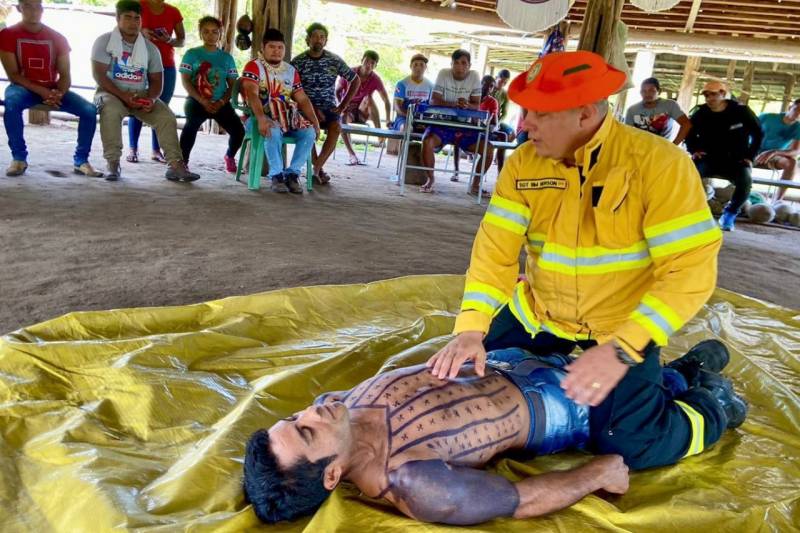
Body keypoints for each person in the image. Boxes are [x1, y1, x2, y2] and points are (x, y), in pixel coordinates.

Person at [426, 51, 738, 477]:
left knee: (630, 446)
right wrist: (471, 330)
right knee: (463, 387)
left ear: (584, 114)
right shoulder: (522, 165)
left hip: (618, 329)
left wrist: (624, 349)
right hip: (538, 315)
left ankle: (711, 400)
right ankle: (677, 373)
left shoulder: (659, 165)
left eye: (537, 113)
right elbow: (494, 252)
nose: (524, 125)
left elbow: (690, 269)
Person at [243, 342, 745, 525]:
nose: (312, 410)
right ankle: (711, 401)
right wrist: (597, 473)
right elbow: (520, 500)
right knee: (637, 443)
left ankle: (679, 372)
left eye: (294, 419)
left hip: (515, 355)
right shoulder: (415, 483)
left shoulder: (340, 413)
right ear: (332, 475)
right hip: (574, 402)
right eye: (307, 432)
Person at [91, 0, 198, 182]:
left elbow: (157, 81)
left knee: (166, 116)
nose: (133, 22)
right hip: (110, 92)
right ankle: (113, 163)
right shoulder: (104, 41)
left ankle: (175, 165)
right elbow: (99, 76)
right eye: (128, 18)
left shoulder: (150, 48)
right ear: (118, 19)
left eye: (137, 18)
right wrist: (123, 96)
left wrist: (151, 98)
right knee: (111, 110)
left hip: (139, 94)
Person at [0, 0, 102, 177]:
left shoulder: (57, 37)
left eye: (38, 6)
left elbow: (65, 75)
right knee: (11, 103)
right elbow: (13, 75)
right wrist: (42, 92)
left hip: (53, 90)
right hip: (22, 88)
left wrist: (58, 93)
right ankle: (19, 158)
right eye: (28, 6)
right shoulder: (7, 35)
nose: (34, 11)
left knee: (89, 110)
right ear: (19, 8)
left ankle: (81, 161)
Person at [241, 28, 320, 194]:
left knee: (309, 133)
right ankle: (276, 175)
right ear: (263, 47)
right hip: (255, 119)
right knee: (272, 130)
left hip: (286, 118)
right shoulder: (254, 66)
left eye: (280, 47)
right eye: (272, 47)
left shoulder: (290, 71)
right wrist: (261, 118)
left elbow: (303, 99)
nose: (276, 51)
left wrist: (315, 121)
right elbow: (252, 94)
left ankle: (292, 174)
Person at [685, 80, 763, 231]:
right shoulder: (700, 113)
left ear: (723, 93)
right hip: (708, 158)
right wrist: (694, 149)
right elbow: (689, 133)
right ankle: (690, 211)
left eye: (713, 94)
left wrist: (750, 156)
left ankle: (730, 213)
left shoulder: (741, 111)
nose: (709, 98)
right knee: (688, 176)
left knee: (745, 181)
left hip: (736, 159)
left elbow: (758, 134)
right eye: (706, 94)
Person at [291, 22, 359, 185]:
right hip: (305, 108)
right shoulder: (298, 62)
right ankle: (318, 170)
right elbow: (291, 90)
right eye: (314, 36)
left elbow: (355, 80)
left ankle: (315, 168)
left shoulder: (334, 60)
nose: (318, 40)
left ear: (326, 41)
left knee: (336, 128)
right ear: (307, 40)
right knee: (308, 130)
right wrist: (312, 109)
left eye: (322, 37)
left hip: (329, 107)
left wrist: (343, 105)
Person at [420, 49, 492, 195]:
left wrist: (467, 105)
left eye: (464, 63)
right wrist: (453, 104)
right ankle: (430, 179)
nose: (460, 67)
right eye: (456, 63)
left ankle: (475, 185)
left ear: (469, 65)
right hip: (442, 124)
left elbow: (476, 105)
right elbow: (434, 100)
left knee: (489, 149)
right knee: (427, 142)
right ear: (451, 64)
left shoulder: (475, 76)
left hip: (465, 126)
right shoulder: (443, 73)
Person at [178, 15, 244, 173]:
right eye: (206, 32)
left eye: (214, 32)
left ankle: (229, 156)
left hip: (220, 102)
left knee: (239, 131)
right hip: (196, 101)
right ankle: (182, 161)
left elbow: (233, 84)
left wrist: (221, 102)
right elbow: (186, 81)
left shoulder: (226, 58)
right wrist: (201, 100)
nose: (210, 35)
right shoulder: (191, 54)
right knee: (190, 126)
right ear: (200, 34)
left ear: (220, 34)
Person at [126, 0, 184, 164]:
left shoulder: (173, 12)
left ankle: (156, 150)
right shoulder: (138, 6)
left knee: (161, 106)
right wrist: (140, 31)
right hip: (139, 62)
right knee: (137, 102)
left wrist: (169, 40)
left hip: (166, 64)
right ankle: (133, 148)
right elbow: (121, 32)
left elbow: (182, 40)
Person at [335, 50, 392, 166]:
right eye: (366, 61)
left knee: (369, 98)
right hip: (347, 108)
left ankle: (379, 134)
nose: (368, 65)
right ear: (362, 61)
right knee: (343, 116)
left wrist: (387, 119)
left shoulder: (375, 78)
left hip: (362, 111)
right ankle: (352, 154)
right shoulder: (350, 72)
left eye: (372, 63)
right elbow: (337, 91)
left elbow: (386, 100)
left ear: (375, 66)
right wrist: (341, 105)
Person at [452, 74, 499, 180]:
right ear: (479, 84)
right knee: (457, 136)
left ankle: (476, 181)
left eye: (491, 86)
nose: (487, 87)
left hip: (480, 131)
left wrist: (486, 124)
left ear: (492, 89)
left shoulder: (492, 102)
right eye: (484, 84)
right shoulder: (469, 97)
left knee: (487, 148)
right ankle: (456, 170)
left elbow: (494, 122)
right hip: (466, 128)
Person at [754, 98, 800, 200]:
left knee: (792, 163)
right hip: (752, 151)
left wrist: (774, 152)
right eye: (797, 109)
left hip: (774, 156)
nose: (799, 113)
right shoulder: (767, 117)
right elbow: (746, 131)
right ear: (790, 107)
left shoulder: (798, 127)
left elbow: (796, 151)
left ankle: (777, 200)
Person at [624, 77, 691, 145]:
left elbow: (686, 124)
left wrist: (673, 145)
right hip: (639, 149)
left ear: (659, 91)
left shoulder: (670, 105)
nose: (647, 94)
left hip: (662, 150)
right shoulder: (632, 110)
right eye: (644, 91)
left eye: (651, 90)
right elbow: (626, 133)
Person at [391, 53, 433, 133]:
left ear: (425, 67)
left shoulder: (430, 85)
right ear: (411, 66)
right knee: (405, 129)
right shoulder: (402, 84)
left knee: (433, 133)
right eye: (415, 64)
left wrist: (423, 121)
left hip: (423, 119)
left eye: (421, 65)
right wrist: (411, 118)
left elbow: (431, 107)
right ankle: (404, 145)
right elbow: (397, 108)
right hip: (403, 118)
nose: (418, 67)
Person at [492, 69, 515, 172]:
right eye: (501, 81)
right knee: (503, 137)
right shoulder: (488, 88)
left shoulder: (504, 94)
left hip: (497, 121)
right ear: (496, 78)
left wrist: (498, 121)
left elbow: (504, 113)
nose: (503, 84)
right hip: (486, 120)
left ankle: (498, 155)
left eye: (505, 82)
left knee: (512, 134)